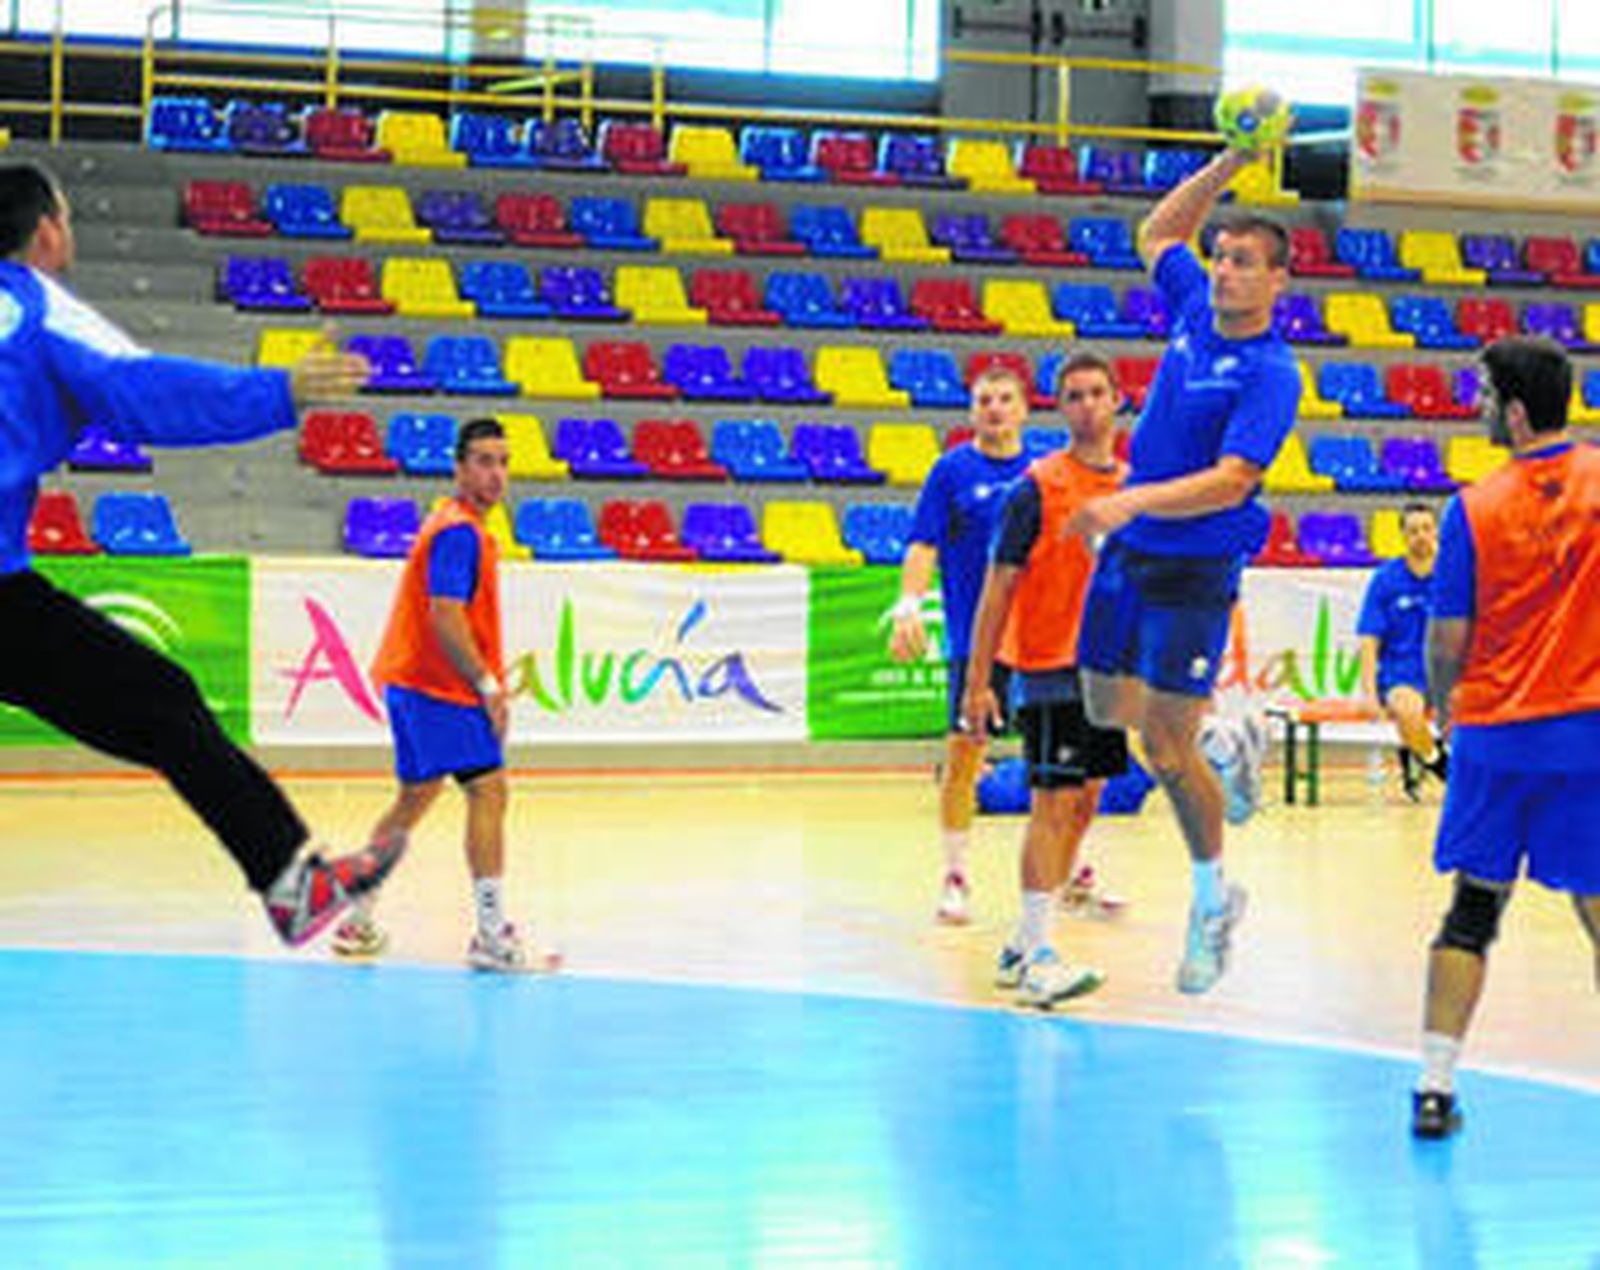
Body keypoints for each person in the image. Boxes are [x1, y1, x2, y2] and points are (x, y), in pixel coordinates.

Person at [0, 159, 400, 945]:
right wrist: (278, 392)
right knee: (164, 706)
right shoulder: (35, 309)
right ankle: (294, 886)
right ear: (46, 230)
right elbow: (144, 391)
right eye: (69, 220)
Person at [1067, 147, 1300, 995]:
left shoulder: (1272, 371)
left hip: (1195, 569)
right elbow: (1159, 229)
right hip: (1132, 557)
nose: (1224, 269)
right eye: (1222, 256)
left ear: (1279, 281)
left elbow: (1234, 480)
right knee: (1104, 709)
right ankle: (1220, 738)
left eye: (1244, 261)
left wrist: (1130, 501)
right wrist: (1232, 158)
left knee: (1160, 749)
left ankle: (1212, 902)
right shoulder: (1194, 308)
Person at [1411, 336, 1600, 1139]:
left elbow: (1447, 641)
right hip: (1588, 738)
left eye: (1486, 397)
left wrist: (1439, 707)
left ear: (1517, 414)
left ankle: (1434, 1085)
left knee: (1472, 911)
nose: (1478, 408)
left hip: (1496, 742)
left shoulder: (1475, 507)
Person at [333, 418, 557, 973]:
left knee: (415, 799)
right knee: (489, 792)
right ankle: (489, 935)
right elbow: (445, 614)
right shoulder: (459, 531)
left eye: (503, 462)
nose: (496, 474)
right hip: (439, 685)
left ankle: (357, 919)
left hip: (411, 681)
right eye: (483, 461)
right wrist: (487, 685)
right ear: (458, 468)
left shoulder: (448, 522)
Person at [963, 351, 1129, 1008]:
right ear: (1060, 409)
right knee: (1052, 805)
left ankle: (1019, 944)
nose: (1087, 405)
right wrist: (981, 684)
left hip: (1109, 671)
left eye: (1097, 392)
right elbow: (996, 591)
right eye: (1074, 395)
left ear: (1118, 400)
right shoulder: (1035, 488)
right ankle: (1038, 956)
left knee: (1086, 804)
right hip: (1050, 668)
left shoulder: (1134, 488)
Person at [890, 365, 1030, 924]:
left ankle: (1075, 870)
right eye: (983, 400)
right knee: (963, 755)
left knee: (1060, 762)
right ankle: (955, 876)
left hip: (1040, 642)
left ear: (1023, 409)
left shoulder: (1041, 473)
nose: (993, 408)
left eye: (1003, 399)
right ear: (972, 411)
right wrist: (909, 603)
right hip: (976, 643)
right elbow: (923, 545)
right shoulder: (951, 472)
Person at [1357, 501, 1448, 800]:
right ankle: (1439, 765)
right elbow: (1369, 640)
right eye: (1413, 531)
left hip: (1449, 666)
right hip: (1403, 669)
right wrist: (1369, 694)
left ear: (1436, 531)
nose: (1420, 536)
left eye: (1426, 529)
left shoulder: (1454, 575)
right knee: (1407, 711)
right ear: (1403, 536)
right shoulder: (1386, 579)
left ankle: (1415, 751)